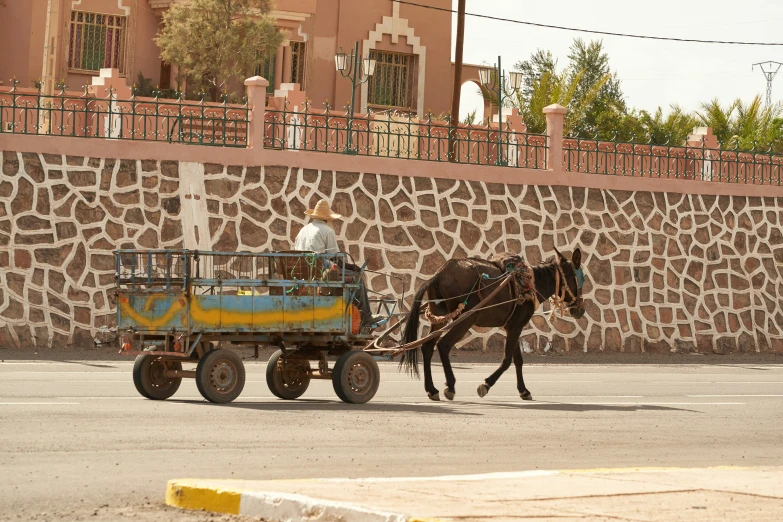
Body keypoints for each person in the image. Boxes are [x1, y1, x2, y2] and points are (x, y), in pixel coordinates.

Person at [294, 199, 384, 327]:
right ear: (327, 218)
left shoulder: (303, 230)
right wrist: (352, 266)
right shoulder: (326, 230)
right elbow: (336, 258)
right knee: (357, 280)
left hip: (302, 271)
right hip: (321, 269)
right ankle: (366, 316)